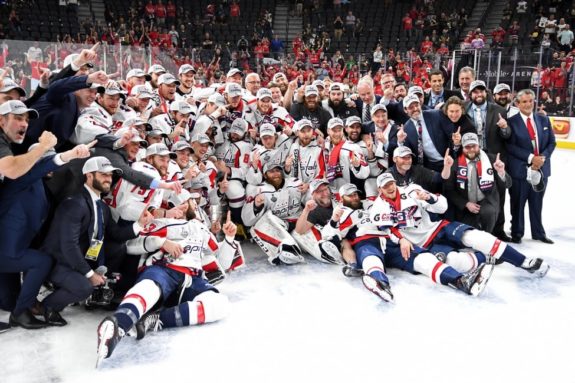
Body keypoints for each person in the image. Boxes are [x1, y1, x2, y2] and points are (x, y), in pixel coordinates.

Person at [96, 206, 238, 367]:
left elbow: (223, 264)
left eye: (189, 202)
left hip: (192, 278)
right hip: (163, 269)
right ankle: (118, 326)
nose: (185, 204)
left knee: (220, 304)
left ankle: (155, 320)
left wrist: (229, 239)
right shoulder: (161, 223)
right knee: (149, 288)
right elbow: (130, 245)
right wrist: (161, 242)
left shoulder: (202, 229)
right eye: (182, 201)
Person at [321, 183, 493, 302]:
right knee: (370, 256)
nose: (355, 197)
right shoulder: (342, 213)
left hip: (394, 240)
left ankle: (460, 281)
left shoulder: (372, 202)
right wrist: (335, 220)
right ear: (341, 197)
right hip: (367, 241)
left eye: (356, 193)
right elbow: (328, 235)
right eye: (350, 195)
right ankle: (379, 283)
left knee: (424, 260)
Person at [369, 173, 550, 278]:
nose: (390, 187)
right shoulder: (376, 208)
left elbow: (443, 206)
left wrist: (430, 198)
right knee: (455, 262)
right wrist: (401, 240)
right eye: (386, 186)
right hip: (422, 245)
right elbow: (388, 230)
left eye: (391, 183)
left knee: (474, 236)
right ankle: (485, 258)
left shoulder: (410, 190)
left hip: (437, 228)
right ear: (380, 190)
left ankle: (523, 262)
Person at [40, 157, 153, 324]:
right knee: (84, 287)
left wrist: (139, 224)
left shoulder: (101, 206)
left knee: (118, 248)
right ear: (89, 176)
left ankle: (97, 290)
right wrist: (90, 274)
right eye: (103, 174)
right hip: (58, 261)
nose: (108, 179)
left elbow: (116, 234)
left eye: (110, 175)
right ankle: (48, 306)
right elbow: (68, 246)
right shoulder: (75, 203)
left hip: (82, 254)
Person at [506, 89, 556, 244]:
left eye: (530, 101)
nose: (528, 104)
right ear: (517, 103)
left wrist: (542, 158)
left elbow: (552, 142)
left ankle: (538, 233)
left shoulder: (543, 120)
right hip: (520, 170)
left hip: (541, 168)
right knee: (518, 203)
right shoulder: (512, 122)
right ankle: (517, 232)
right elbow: (510, 146)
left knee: (537, 202)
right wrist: (530, 158)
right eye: (524, 102)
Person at [444, 133, 511, 233]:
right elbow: (449, 190)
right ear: (462, 148)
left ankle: (488, 237)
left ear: (479, 145)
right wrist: (465, 204)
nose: (471, 149)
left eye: (474, 146)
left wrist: (501, 172)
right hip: (466, 204)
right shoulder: (455, 164)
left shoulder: (492, 160)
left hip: (486, 201)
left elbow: (508, 184)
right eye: (467, 147)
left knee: (488, 212)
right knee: (466, 233)